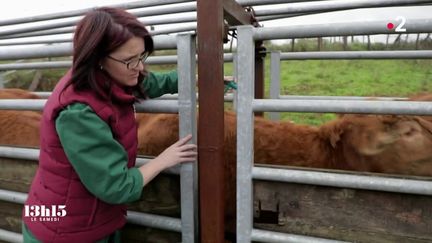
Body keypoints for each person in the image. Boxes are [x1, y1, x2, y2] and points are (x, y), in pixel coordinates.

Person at [22, 7, 197, 243]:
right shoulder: (78, 113)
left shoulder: (110, 77)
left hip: (88, 218)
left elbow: (149, 83)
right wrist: (162, 160)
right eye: (129, 60)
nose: (139, 67)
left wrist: (197, 78)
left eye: (141, 57)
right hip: (63, 231)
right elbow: (116, 186)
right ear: (98, 58)